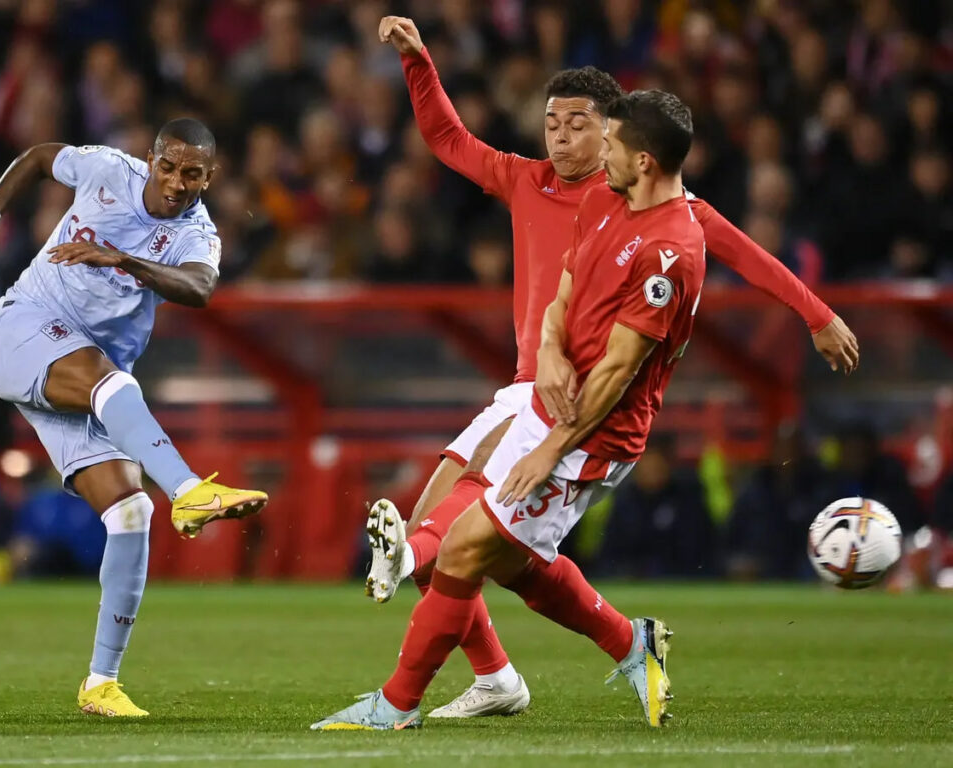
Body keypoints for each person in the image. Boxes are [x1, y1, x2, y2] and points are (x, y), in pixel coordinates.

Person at [359, 14, 859, 720]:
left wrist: (817, 313)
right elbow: (446, 139)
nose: (560, 138)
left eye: (578, 126)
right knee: (482, 547)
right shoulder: (529, 181)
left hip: (581, 407)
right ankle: (505, 668)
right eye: (551, 124)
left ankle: (420, 609)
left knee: (460, 541)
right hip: (531, 383)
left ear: (613, 136)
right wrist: (418, 64)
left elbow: (746, 255)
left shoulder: (650, 209)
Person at [313, 88, 704, 731]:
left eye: (608, 141)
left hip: (592, 439)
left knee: (462, 553)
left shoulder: (672, 253)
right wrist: (549, 350)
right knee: (503, 558)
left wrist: (554, 448)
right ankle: (624, 644)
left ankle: (396, 702)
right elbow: (566, 289)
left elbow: (617, 372)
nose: (594, 148)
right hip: (544, 401)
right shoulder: (606, 202)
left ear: (644, 163)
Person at [0, 118, 268, 717]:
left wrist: (126, 261)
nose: (174, 182)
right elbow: (39, 156)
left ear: (209, 178)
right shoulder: (107, 170)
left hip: (88, 376)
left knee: (131, 509)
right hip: (25, 329)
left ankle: (101, 683)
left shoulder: (198, 232)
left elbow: (199, 289)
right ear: (151, 158)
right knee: (111, 382)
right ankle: (190, 490)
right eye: (167, 167)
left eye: (191, 174)